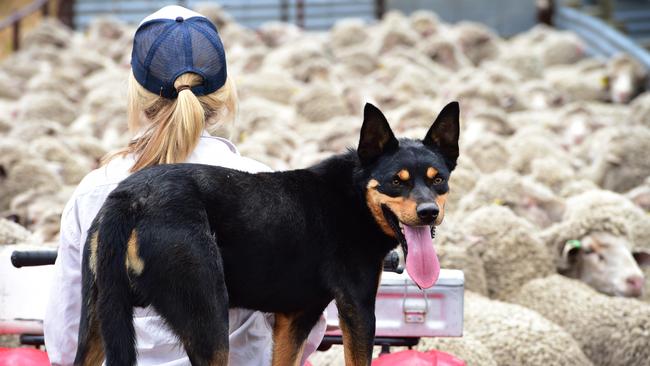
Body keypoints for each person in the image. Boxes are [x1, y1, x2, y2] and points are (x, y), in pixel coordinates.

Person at [44, 5, 326, 365]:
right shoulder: (264, 186)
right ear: (224, 94)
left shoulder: (94, 193)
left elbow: (68, 336)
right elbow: (303, 322)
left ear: (136, 93)